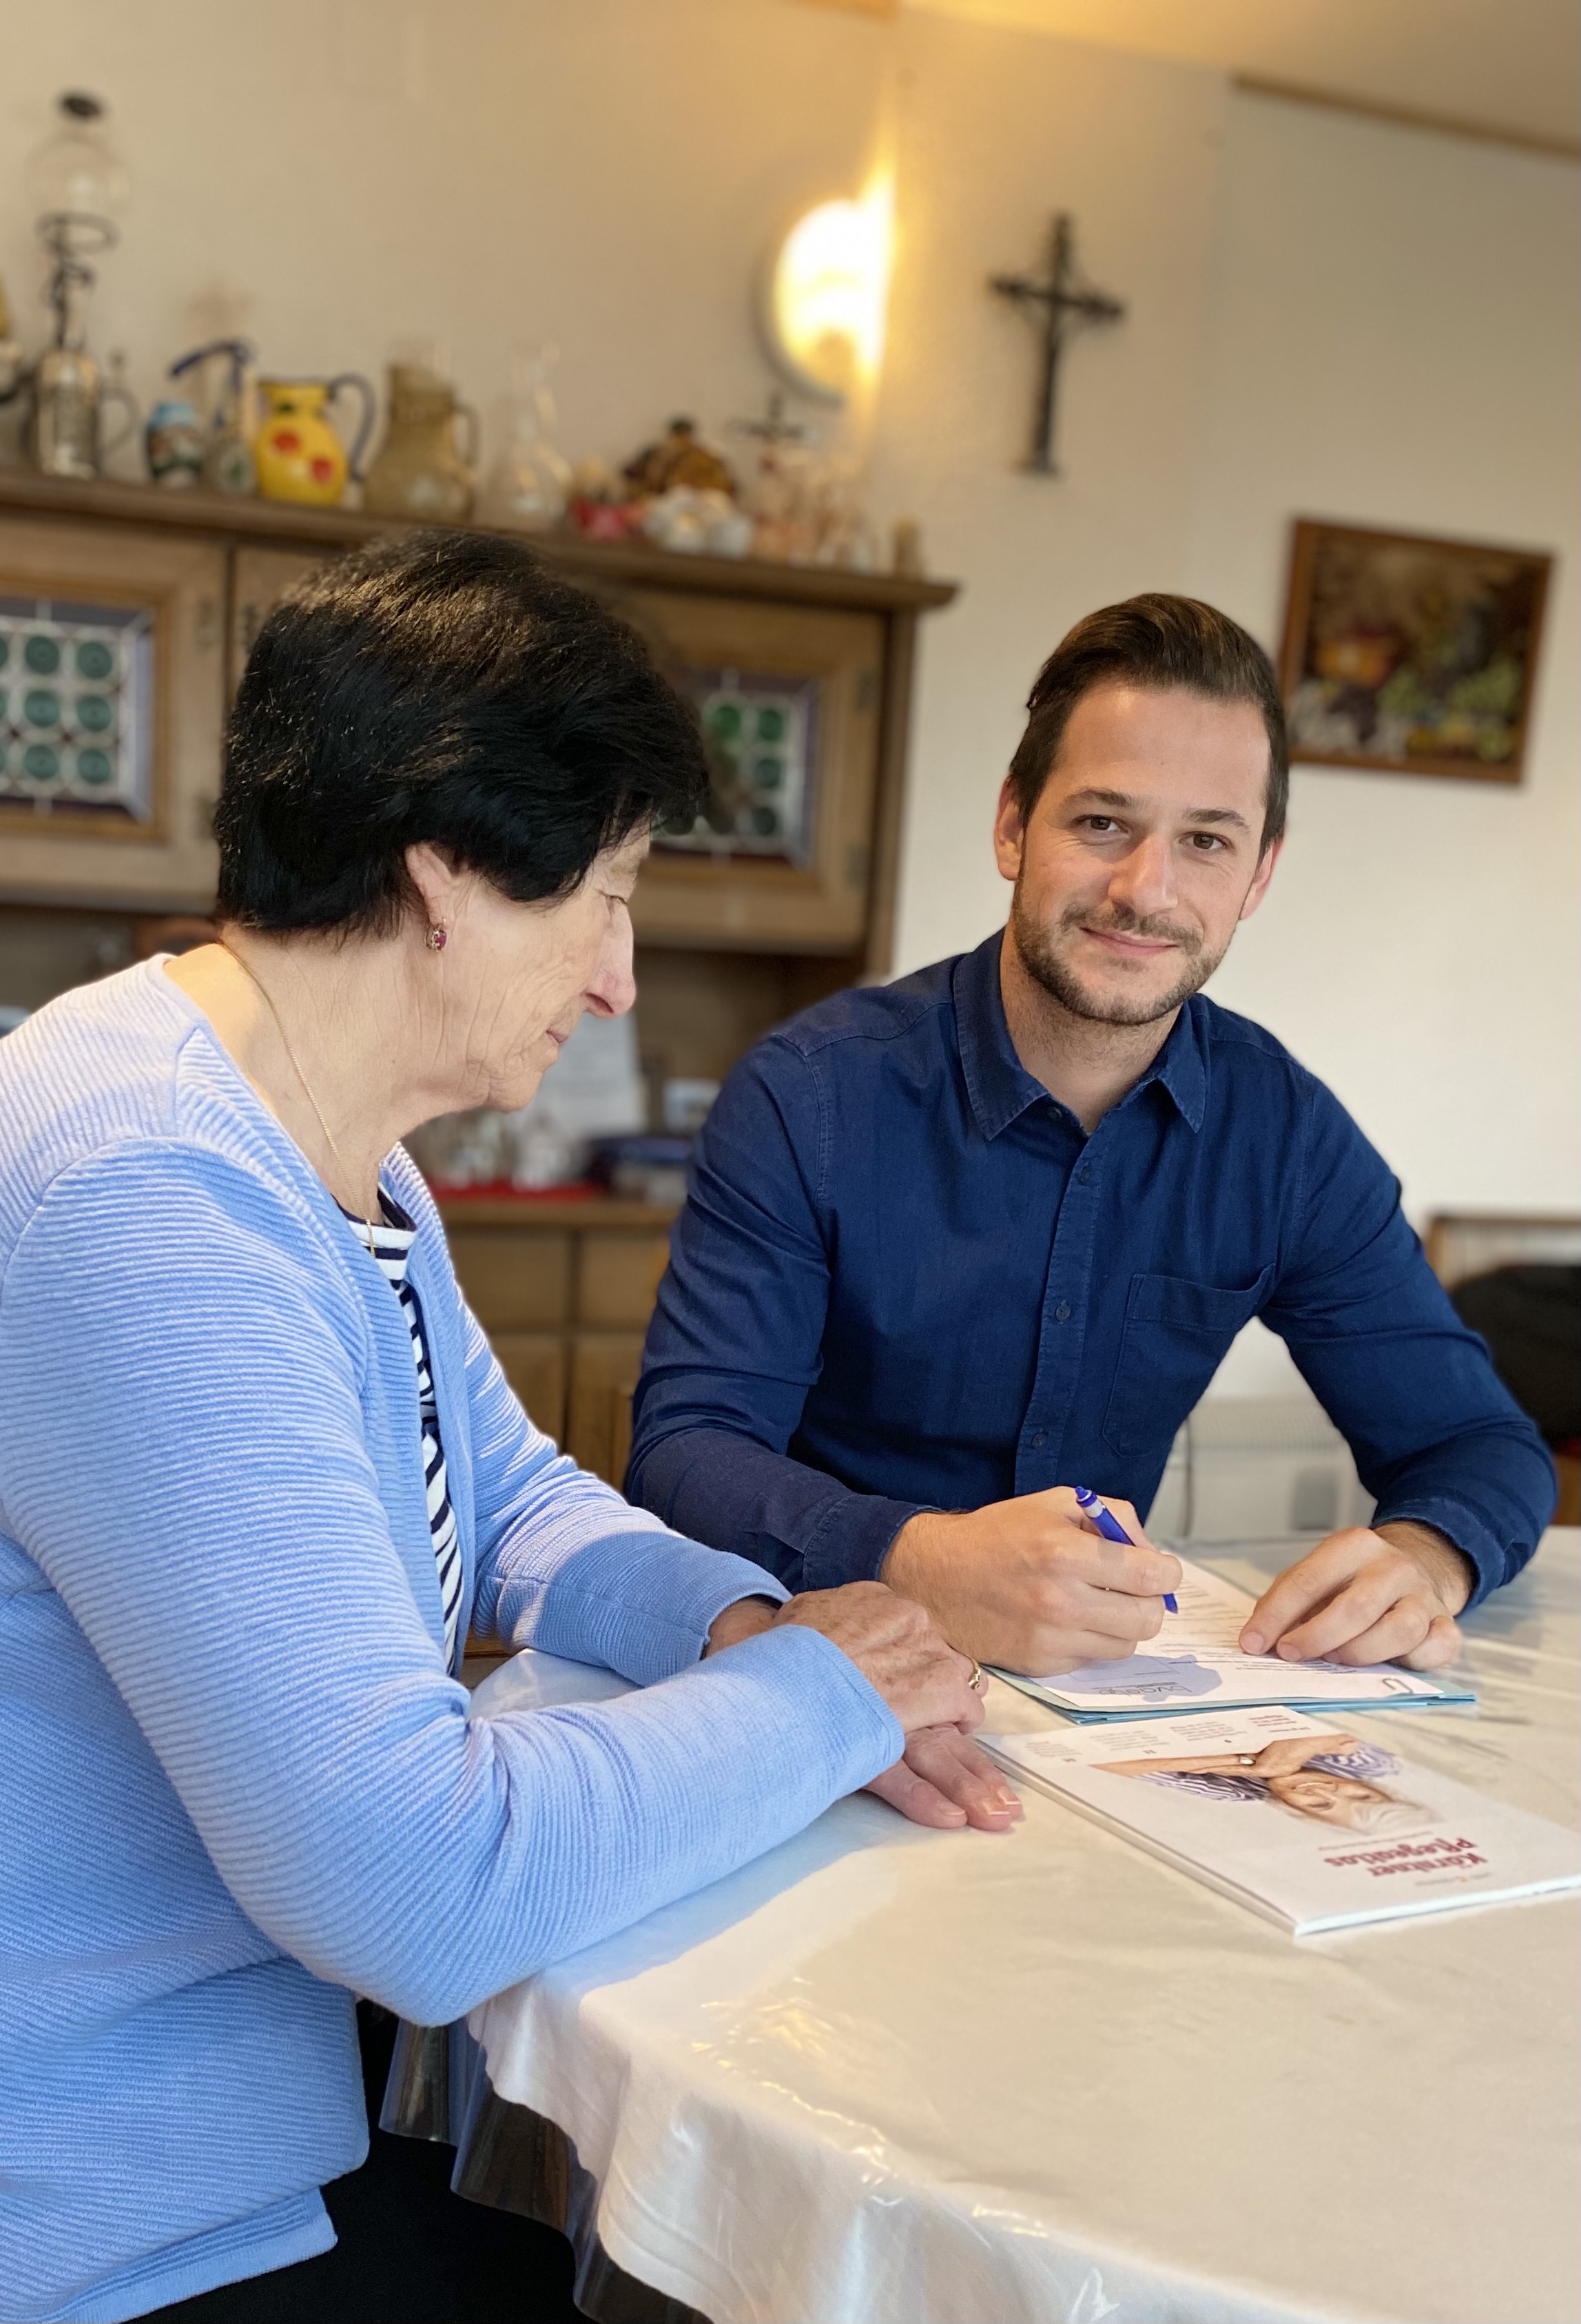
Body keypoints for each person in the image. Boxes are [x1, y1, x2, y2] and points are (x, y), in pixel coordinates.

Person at [0, 533, 1002, 2324]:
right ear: (446, 872)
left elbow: (512, 1486)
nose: (618, 975)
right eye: (602, 894)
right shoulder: (150, 1189)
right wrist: (827, 1693)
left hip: (247, 2111)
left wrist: (738, 1623)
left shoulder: (326, 1135)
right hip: (104, 2206)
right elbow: (415, 1878)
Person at [628, 594, 1554, 1680]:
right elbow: (685, 1450)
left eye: (1204, 840)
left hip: (1104, 1707)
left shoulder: (1283, 1135)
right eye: (1101, 823)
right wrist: (918, 1557)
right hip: (812, 1666)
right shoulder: (811, 1096)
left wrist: (1426, 1556)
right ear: (1013, 823)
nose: (1142, 890)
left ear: (1256, 875)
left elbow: (1478, 1445)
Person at [1097, 1733, 1432, 1836]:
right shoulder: (1370, 1765)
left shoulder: (1237, 1793)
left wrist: (1242, 1761)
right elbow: (1339, 1734)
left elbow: (1110, 1763)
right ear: (1379, 1789)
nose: (1317, 1791)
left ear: (1306, 1817)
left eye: (1319, 1807)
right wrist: (1299, 1748)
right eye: (1360, 1796)